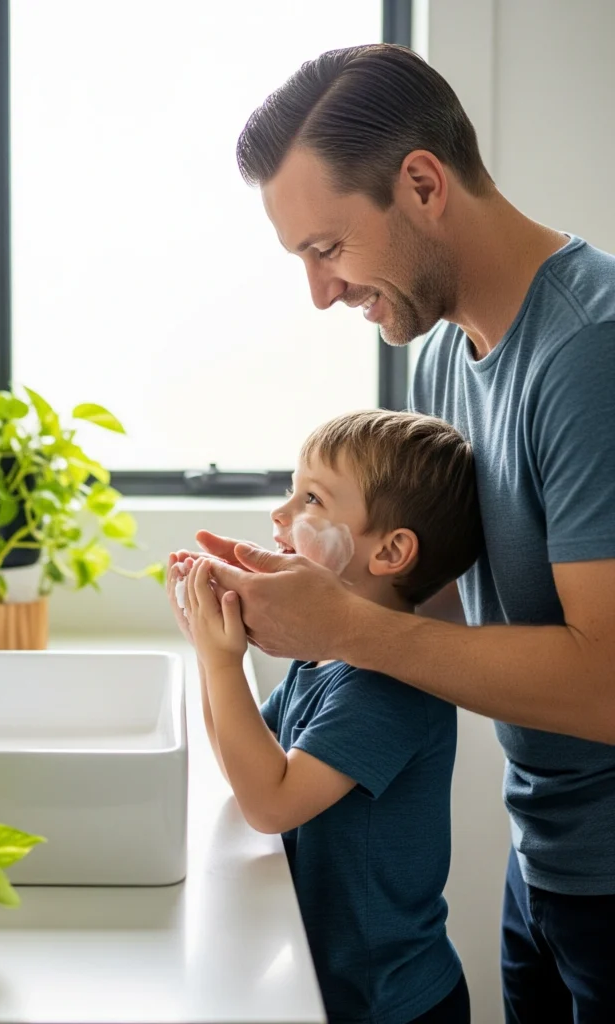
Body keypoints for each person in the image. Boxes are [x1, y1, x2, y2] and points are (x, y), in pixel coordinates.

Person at [195, 42, 615, 1023]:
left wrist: (340, 628)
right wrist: (281, 592)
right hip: (544, 860)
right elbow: (401, 597)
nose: (320, 292)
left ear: (421, 183)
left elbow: (606, 681)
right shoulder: (440, 362)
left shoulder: (589, 355)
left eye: (327, 250)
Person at [168, 409, 480, 1024]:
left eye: (310, 498)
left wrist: (222, 662)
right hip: (342, 992)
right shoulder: (324, 657)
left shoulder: (388, 687)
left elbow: (270, 805)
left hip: (396, 1006)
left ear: (390, 551)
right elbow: (247, 766)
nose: (280, 515)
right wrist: (210, 654)